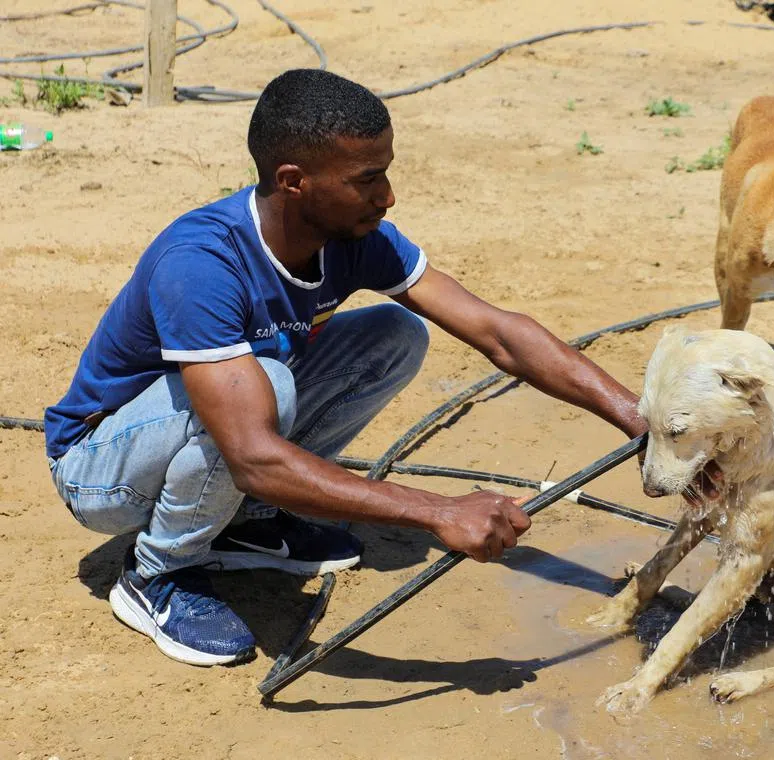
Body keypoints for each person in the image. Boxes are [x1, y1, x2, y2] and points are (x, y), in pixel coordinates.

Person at [44, 69, 718, 668]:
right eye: (366, 179)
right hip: (102, 470)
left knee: (394, 333)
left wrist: (641, 421)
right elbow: (251, 453)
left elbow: (499, 333)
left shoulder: (354, 239)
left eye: (385, 171)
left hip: (214, 437)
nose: (387, 195)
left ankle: (242, 524)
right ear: (293, 182)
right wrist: (439, 511)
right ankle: (158, 573)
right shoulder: (203, 263)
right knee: (264, 392)